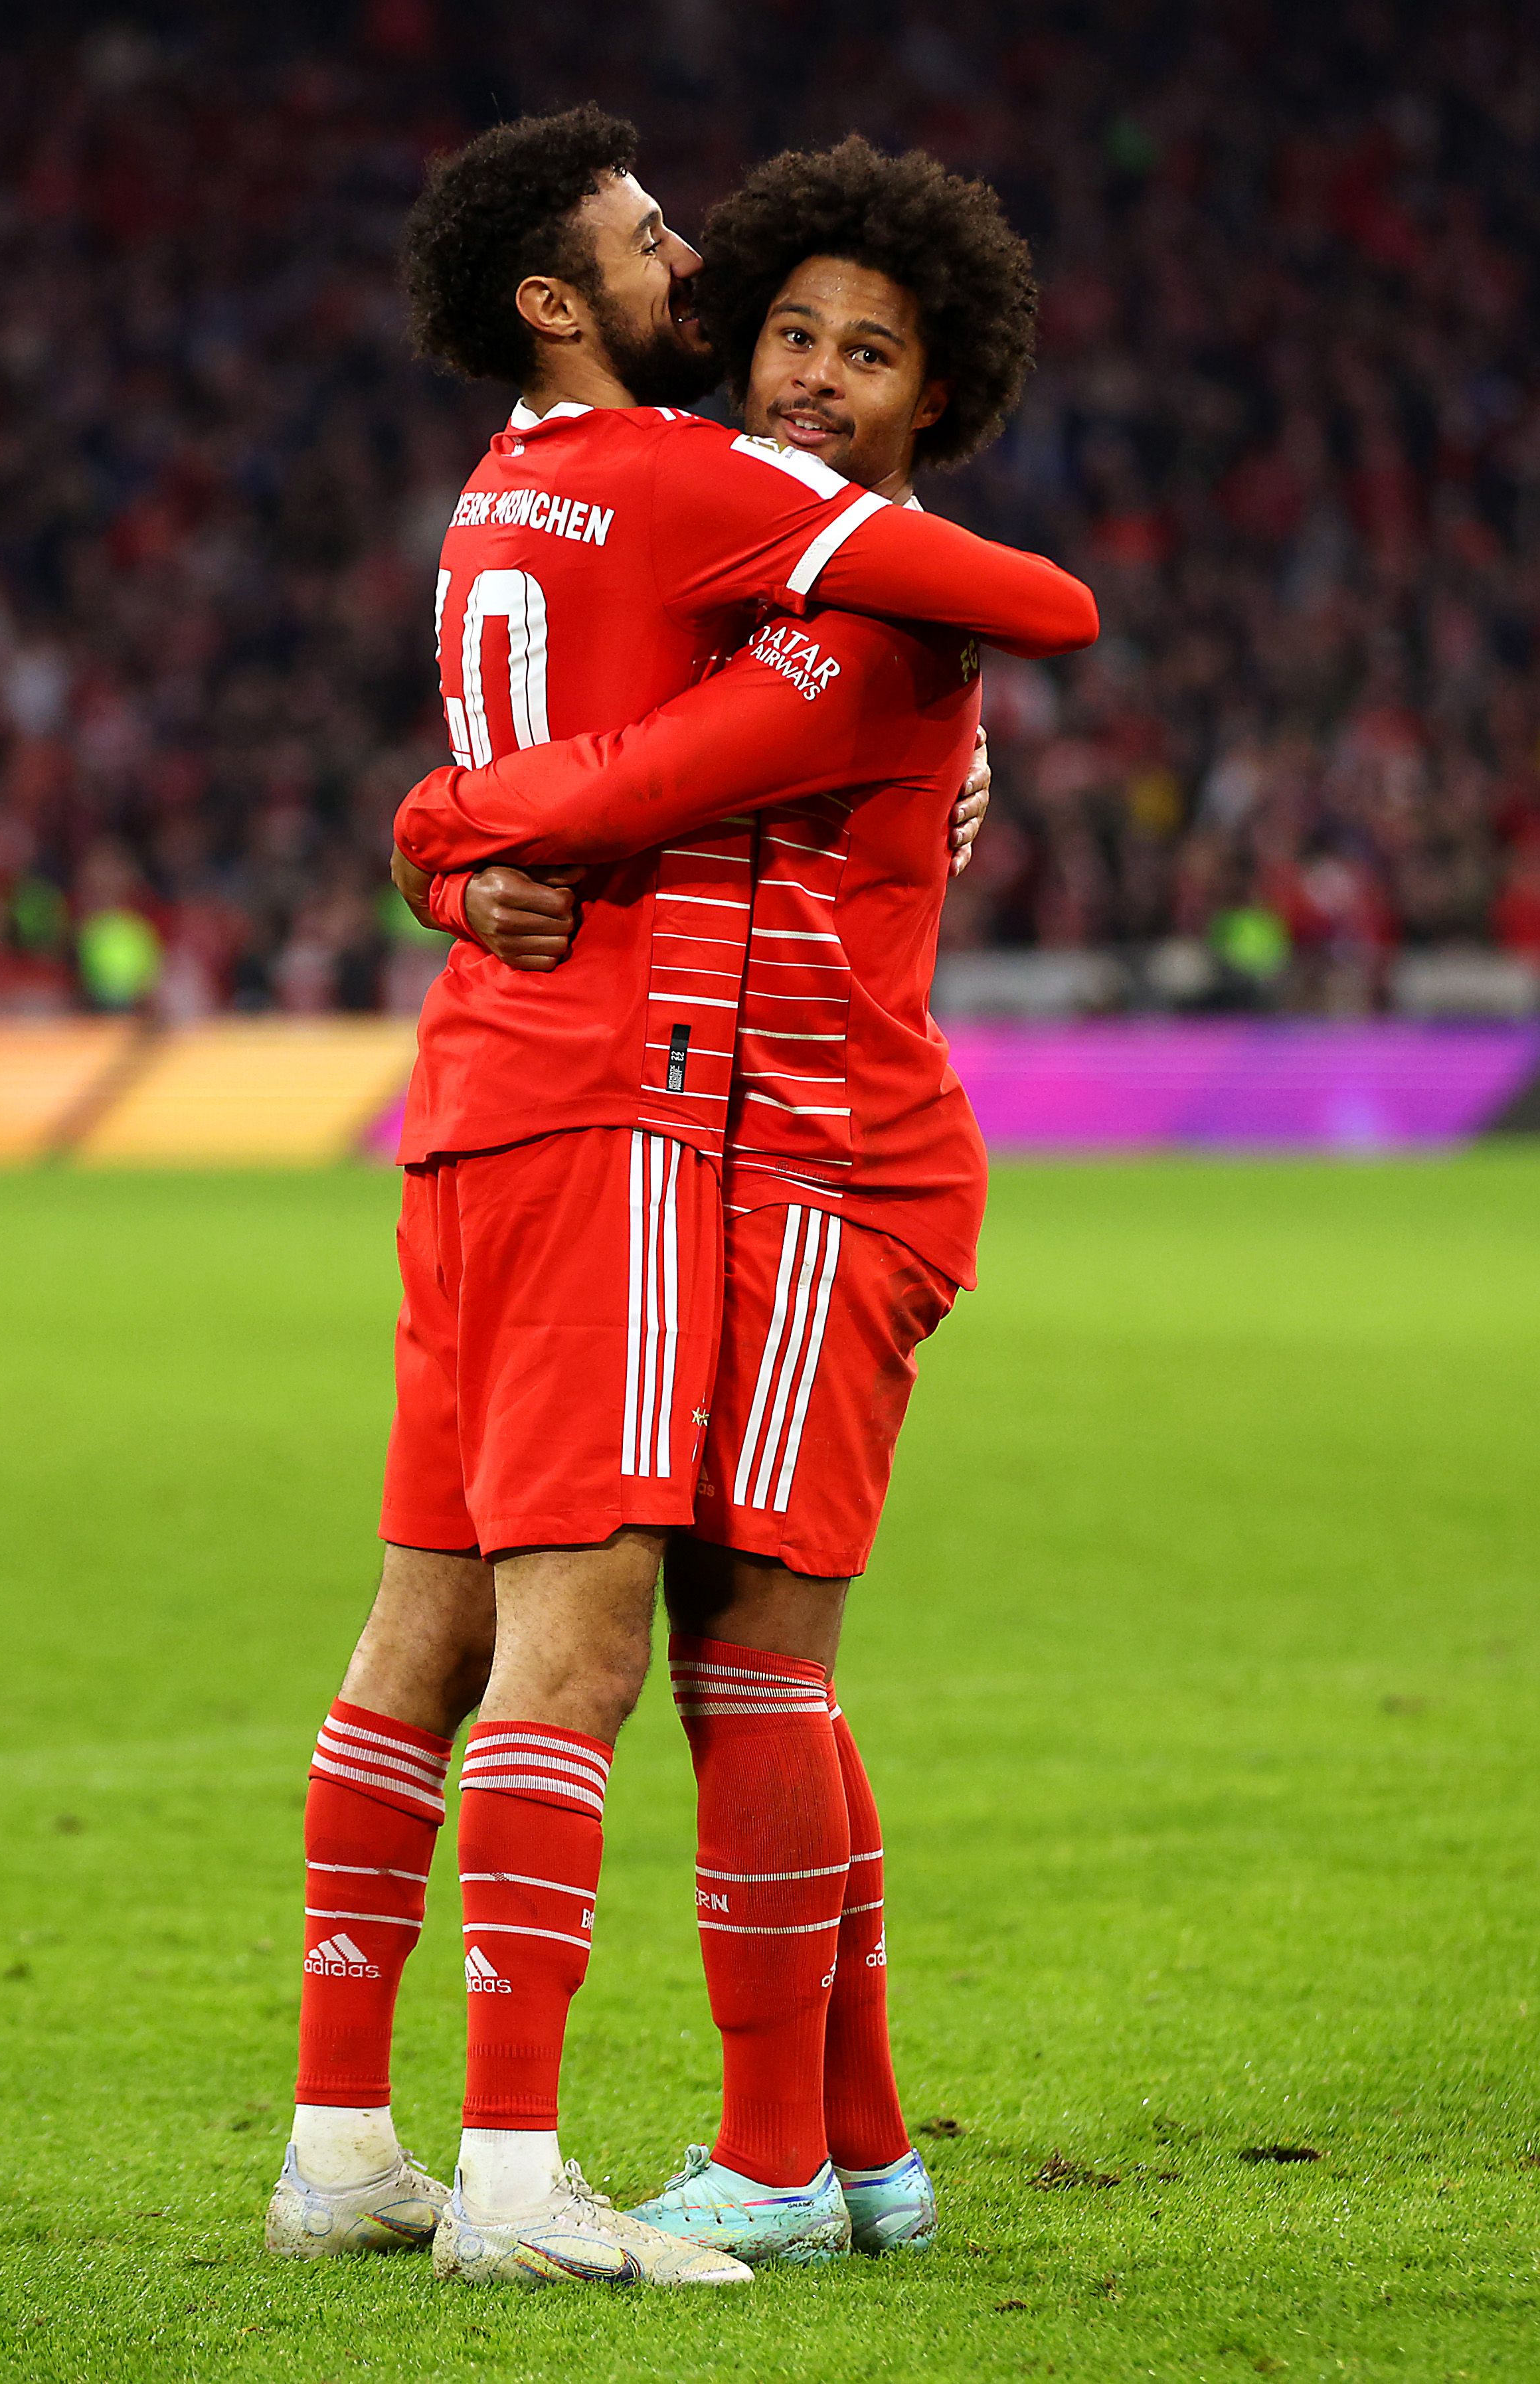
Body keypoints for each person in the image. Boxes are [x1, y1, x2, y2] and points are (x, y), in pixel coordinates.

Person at [265, 103, 1096, 2291]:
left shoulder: (837, 608)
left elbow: (641, 780)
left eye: (869, 355)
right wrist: (456, 844)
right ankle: (852, 2150)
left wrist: (440, 824)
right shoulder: (739, 548)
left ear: (944, 393)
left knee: (739, 1662)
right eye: (790, 332)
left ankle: (776, 2153)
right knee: (729, 1657)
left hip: (821, 1162)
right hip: (700, 1145)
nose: (808, 375)